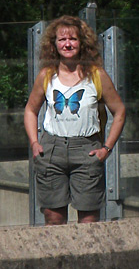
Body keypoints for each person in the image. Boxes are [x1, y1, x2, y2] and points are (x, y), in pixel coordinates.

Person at [24, 15, 126, 225]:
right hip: (52, 150)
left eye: (73, 39)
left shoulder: (97, 75)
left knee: (89, 222)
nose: (67, 44)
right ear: (54, 44)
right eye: (62, 40)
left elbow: (120, 111)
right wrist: (35, 143)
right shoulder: (46, 75)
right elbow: (31, 110)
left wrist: (106, 148)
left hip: (87, 149)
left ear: (82, 43)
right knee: (53, 220)